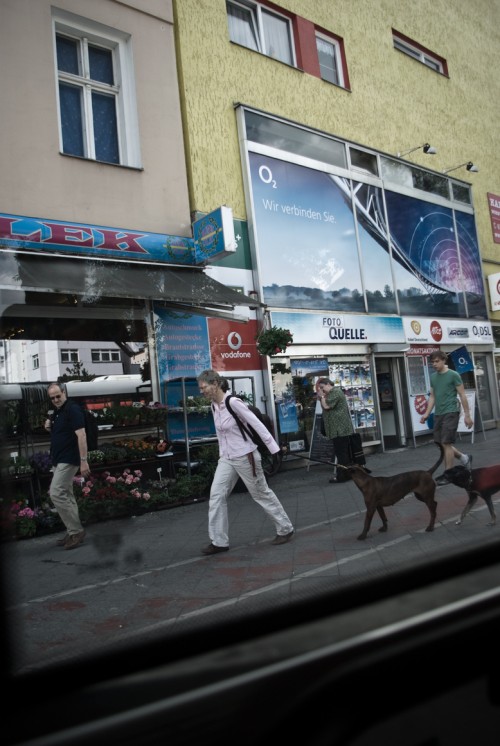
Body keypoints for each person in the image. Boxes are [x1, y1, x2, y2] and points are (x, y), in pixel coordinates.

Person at [196, 369, 294, 555]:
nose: (202, 391)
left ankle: (285, 528)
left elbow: (257, 424)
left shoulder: (233, 403)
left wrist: (274, 449)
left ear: (215, 384)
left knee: (261, 493)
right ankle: (219, 541)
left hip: (245, 456)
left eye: (204, 387)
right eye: (200, 388)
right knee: (216, 496)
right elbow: (221, 434)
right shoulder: (213, 406)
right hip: (226, 458)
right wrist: (221, 455)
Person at [44, 382, 89, 549]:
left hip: (69, 459)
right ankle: (73, 531)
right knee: (67, 496)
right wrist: (49, 426)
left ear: (64, 393)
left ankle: (76, 531)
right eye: (52, 398)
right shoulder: (58, 412)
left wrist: (84, 461)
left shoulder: (72, 409)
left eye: (58, 396)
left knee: (56, 492)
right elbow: (62, 433)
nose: (56, 399)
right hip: (60, 458)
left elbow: (81, 435)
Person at [419, 351, 473, 485]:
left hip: (451, 411)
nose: (434, 364)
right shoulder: (433, 377)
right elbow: (432, 396)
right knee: (440, 444)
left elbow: (462, 395)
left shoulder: (453, 375)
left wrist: (467, 415)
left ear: (444, 360)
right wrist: (426, 414)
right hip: (439, 413)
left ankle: (448, 474)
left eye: (437, 361)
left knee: (446, 443)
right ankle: (464, 457)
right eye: (432, 362)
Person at [317, 377, 354, 483]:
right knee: (341, 453)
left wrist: (322, 397)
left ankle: (342, 476)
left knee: (341, 453)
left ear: (328, 384)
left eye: (322, 387)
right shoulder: (329, 394)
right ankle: (346, 475)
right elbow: (324, 407)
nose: (322, 390)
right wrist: (322, 398)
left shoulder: (336, 392)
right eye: (320, 388)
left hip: (340, 429)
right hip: (336, 429)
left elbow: (327, 406)